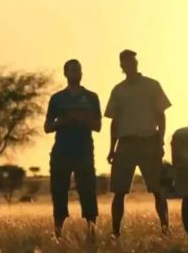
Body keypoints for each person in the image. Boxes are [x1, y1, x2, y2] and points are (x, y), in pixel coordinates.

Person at [105, 50, 170, 238]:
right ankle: (115, 232)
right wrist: (111, 148)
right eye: (125, 62)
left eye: (132, 61)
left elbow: (161, 115)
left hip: (149, 141)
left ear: (136, 63)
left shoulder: (151, 85)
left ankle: (165, 228)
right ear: (121, 66)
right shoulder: (118, 90)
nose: (129, 65)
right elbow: (114, 122)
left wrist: (160, 141)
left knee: (158, 189)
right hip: (125, 144)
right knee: (119, 191)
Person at [44, 59, 101, 240]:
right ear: (65, 73)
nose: (76, 73)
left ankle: (91, 229)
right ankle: (58, 231)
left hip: (84, 148)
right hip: (62, 149)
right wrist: (63, 121)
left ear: (82, 73)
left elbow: (98, 126)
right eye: (72, 70)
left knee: (87, 189)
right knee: (59, 189)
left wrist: (82, 120)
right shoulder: (57, 99)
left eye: (78, 70)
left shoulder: (92, 97)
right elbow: (47, 127)